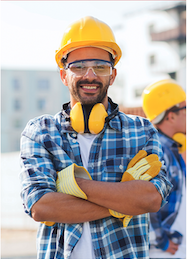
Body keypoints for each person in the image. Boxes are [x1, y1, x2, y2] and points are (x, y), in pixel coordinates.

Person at [19, 16, 172, 259]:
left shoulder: (142, 130)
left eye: (100, 67)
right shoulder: (40, 131)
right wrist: (124, 201)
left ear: (112, 75)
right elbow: (42, 207)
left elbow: (151, 199)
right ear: (63, 75)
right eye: (79, 67)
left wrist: (70, 185)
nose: (89, 76)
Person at [142, 79, 186, 258]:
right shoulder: (158, 151)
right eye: (185, 108)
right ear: (171, 116)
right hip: (162, 251)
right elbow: (147, 201)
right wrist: (161, 241)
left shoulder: (172, 148)